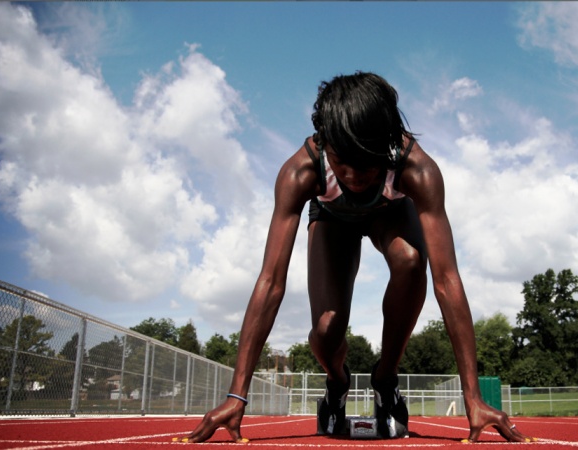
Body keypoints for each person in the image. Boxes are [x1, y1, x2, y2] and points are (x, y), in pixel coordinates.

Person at [181, 72, 534, 443]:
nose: (352, 176)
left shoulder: (418, 169)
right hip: (333, 221)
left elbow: (446, 280)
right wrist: (237, 395)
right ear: (324, 143)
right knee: (327, 329)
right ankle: (337, 383)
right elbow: (271, 281)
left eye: (366, 164)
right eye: (341, 162)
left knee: (413, 261)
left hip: (390, 214)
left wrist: (473, 398)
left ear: (387, 147)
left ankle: (385, 380)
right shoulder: (300, 171)